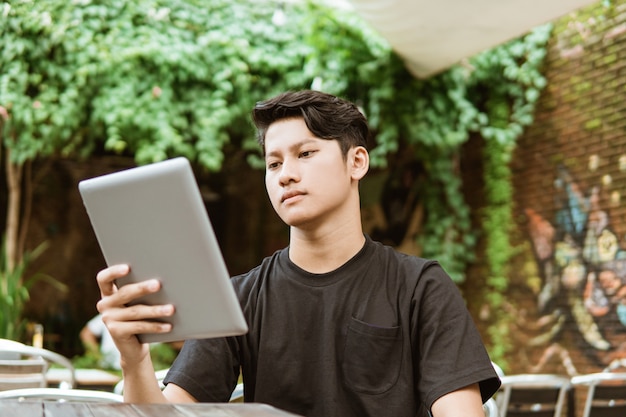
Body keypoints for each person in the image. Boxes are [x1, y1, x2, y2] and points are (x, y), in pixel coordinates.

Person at [94, 90, 501, 417]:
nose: (286, 174)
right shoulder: (241, 299)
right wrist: (134, 359)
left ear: (356, 162)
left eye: (305, 154)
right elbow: (169, 415)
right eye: (273, 164)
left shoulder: (419, 287)